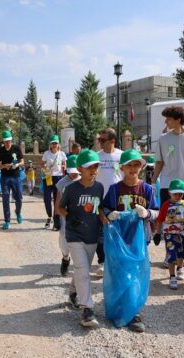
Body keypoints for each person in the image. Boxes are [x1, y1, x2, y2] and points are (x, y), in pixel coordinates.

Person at [102, 149, 158, 332]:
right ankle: (119, 307)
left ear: (141, 167)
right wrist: (111, 214)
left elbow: (157, 212)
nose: (133, 168)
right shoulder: (114, 189)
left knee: (135, 276)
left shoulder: (148, 190)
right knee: (119, 274)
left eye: (137, 164)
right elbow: (104, 210)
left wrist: (147, 213)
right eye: (129, 165)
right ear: (122, 168)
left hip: (139, 241)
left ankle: (133, 312)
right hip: (119, 241)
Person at [56, 149, 107, 328]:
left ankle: (72, 292)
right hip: (74, 235)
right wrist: (70, 217)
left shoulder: (99, 187)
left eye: (96, 167)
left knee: (81, 270)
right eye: (89, 167)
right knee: (83, 271)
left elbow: (99, 208)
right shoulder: (71, 189)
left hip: (92, 235)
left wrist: (105, 220)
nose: (93, 170)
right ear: (79, 169)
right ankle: (88, 310)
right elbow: (59, 209)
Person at [154, 179, 184, 290]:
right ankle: (172, 277)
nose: (178, 196)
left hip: (181, 234)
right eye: (175, 194)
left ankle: (180, 268)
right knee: (171, 255)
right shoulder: (165, 205)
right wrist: (157, 233)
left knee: (181, 253)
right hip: (169, 235)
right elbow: (160, 220)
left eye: (180, 194)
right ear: (169, 193)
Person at [94, 128, 123, 277]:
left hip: (117, 200)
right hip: (99, 200)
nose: (100, 142)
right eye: (99, 140)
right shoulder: (97, 157)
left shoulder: (122, 156)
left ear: (113, 141)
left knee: (117, 232)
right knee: (100, 233)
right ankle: (102, 263)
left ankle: (116, 261)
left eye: (103, 140)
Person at [54, 155, 81, 277]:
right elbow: (58, 199)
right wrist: (56, 216)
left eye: (76, 172)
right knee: (64, 236)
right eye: (71, 172)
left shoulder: (84, 180)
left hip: (80, 214)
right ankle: (65, 257)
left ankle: (80, 266)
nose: (74, 175)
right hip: (65, 214)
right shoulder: (62, 183)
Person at [0, 130, 24, 230]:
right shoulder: (0, 150)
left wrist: (18, 164)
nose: (8, 143)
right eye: (6, 141)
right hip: (5, 178)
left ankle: (18, 212)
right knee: (5, 199)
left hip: (16, 176)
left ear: (11, 140)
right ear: (3, 142)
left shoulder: (16, 148)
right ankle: (7, 220)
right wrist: (4, 166)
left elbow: (22, 160)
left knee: (19, 197)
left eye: (9, 141)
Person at [41, 135, 67, 230]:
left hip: (58, 178)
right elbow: (42, 164)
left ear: (58, 144)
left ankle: (56, 223)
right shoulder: (46, 153)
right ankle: (49, 216)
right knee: (47, 199)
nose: (54, 144)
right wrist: (45, 168)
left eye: (56, 143)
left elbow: (64, 164)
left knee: (57, 200)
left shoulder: (62, 154)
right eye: (53, 143)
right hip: (48, 177)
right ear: (50, 144)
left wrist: (64, 167)